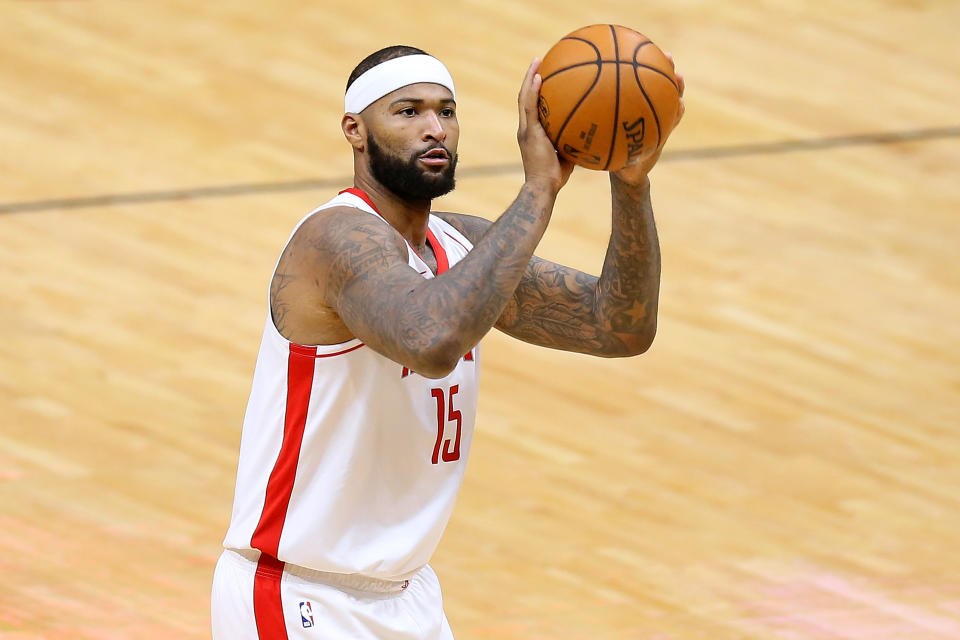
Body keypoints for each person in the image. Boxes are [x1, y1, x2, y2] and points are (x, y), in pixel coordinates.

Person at [211, 45, 684, 639]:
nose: (434, 129)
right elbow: (431, 340)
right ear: (355, 131)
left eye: (447, 111)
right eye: (407, 112)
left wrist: (630, 183)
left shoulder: (461, 247)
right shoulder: (333, 239)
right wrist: (540, 189)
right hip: (298, 595)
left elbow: (620, 325)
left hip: (408, 596)